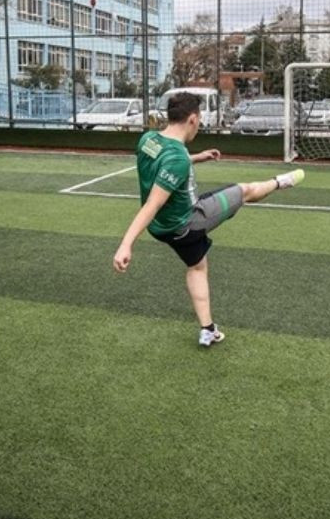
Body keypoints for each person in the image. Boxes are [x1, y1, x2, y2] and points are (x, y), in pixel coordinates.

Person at [112, 92, 304, 347]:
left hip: (162, 228)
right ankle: (281, 182)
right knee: (244, 191)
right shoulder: (177, 158)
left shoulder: (149, 139)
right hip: (189, 221)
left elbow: (164, 163)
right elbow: (153, 203)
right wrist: (126, 244)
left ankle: (208, 329)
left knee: (198, 266)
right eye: (199, 120)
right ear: (192, 119)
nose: (199, 125)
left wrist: (196, 158)